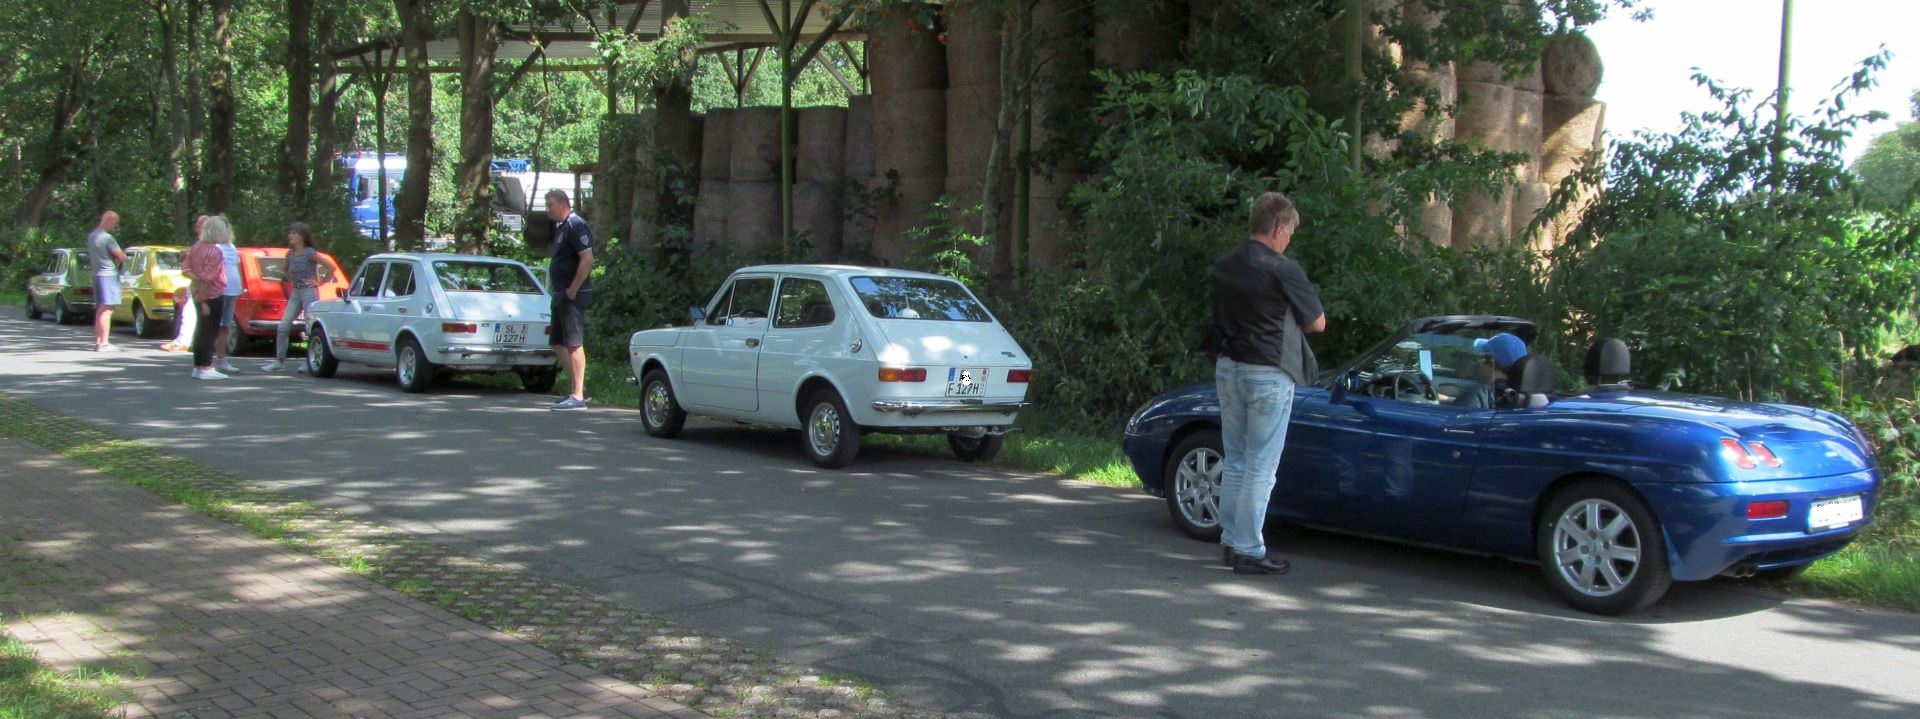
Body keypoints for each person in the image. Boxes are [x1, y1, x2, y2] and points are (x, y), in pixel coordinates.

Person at [1209, 191, 1326, 576]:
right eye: (1290, 231)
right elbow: (1317, 323)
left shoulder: (1224, 265)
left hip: (1229, 366)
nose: (1289, 239)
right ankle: (1249, 549)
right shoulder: (1282, 269)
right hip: (1268, 372)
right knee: (1261, 464)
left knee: (1236, 459)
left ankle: (1231, 541)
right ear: (1278, 229)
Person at [545, 189, 594, 411]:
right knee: (557, 341)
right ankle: (577, 388)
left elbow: (587, 259)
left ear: (563, 203)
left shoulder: (576, 225)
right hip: (560, 292)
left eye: (550, 204)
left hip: (573, 293)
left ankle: (577, 396)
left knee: (573, 342)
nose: (548, 209)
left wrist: (573, 289)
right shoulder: (561, 227)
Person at [263, 222, 331, 372]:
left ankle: (310, 362)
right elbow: (285, 270)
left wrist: (320, 282)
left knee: (309, 327)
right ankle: (279, 361)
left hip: (309, 292)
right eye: (290, 233)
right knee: (283, 326)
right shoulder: (290, 254)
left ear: (302, 236)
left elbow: (330, 267)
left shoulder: (310, 253)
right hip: (296, 292)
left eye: (294, 233)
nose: (290, 236)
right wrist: (291, 280)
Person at [184, 216, 234, 380]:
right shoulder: (215, 251)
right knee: (210, 331)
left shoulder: (196, 247)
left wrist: (197, 290)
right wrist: (204, 301)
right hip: (212, 294)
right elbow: (208, 278)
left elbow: (186, 269)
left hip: (197, 293)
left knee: (200, 329)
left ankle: (198, 366)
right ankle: (206, 366)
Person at [161, 215, 209, 353]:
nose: (196, 229)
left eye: (199, 226)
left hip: (201, 284)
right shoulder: (204, 243)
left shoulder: (206, 244)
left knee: (191, 313)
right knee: (189, 312)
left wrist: (187, 260)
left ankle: (186, 341)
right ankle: (185, 340)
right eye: (196, 226)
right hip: (198, 282)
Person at [87, 211, 128, 352]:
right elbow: (121, 257)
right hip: (109, 275)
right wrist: (124, 254)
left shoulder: (92, 236)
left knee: (101, 309)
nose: (115, 226)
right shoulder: (107, 238)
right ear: (108, 220)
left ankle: (98, 341)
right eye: (115, 223)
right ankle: (104, 343)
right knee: (108, 309)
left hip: (97, 274)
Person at [212, 219, 245, 375]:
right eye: (223, 230)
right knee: (215, 326)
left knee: (226, 326)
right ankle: (209, 360)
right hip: (220, 291)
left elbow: (237, 267)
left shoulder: (232, 247)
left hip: (232, 291)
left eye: (228, 230)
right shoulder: (216, 248)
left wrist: (241, 285)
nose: (227, 233)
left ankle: (222, 360)